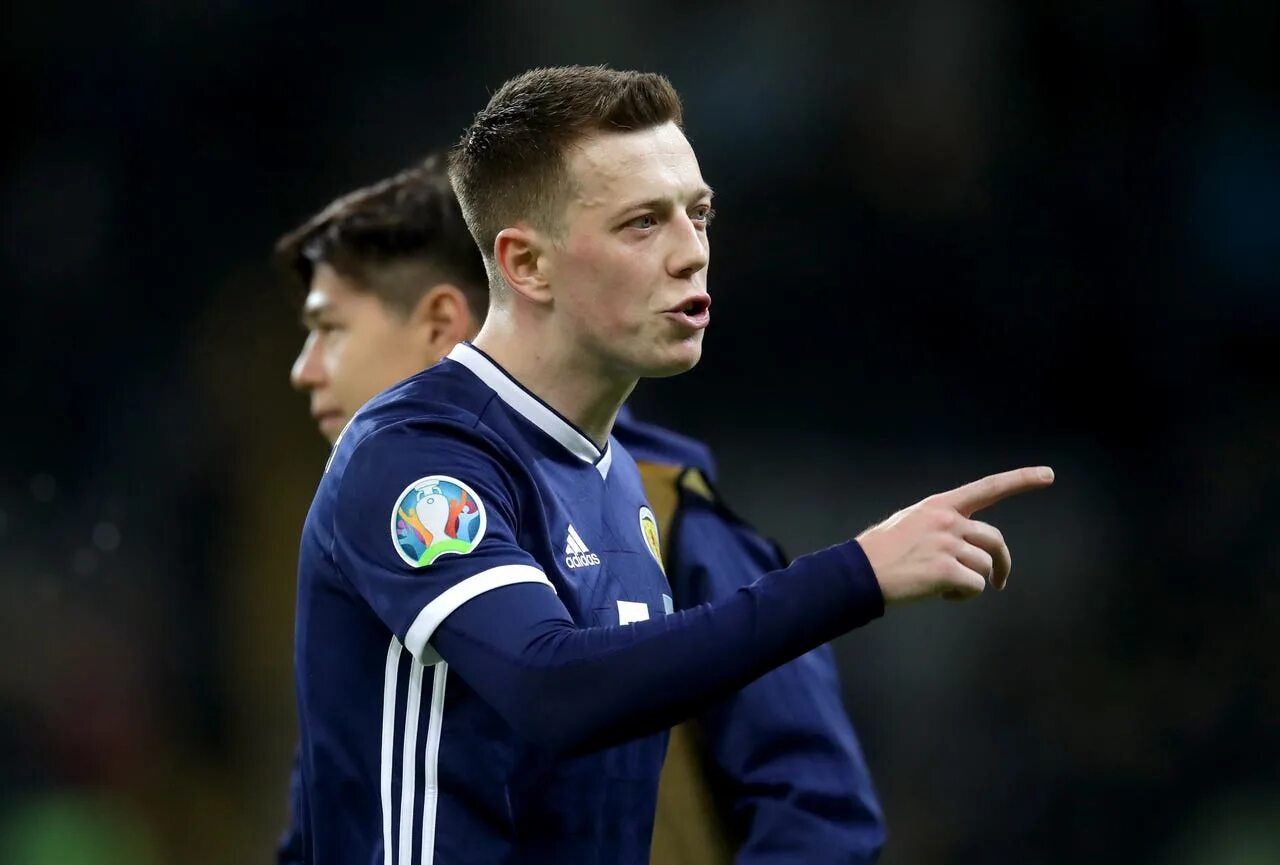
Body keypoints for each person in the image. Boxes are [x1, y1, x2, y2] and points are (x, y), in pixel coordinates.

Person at [290, 65, 1053, 865]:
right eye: (643, 224)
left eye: (700, 214)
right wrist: (856, 573)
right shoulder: (414, 454)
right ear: (527, 264)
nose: (693, 254)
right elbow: (552, 687)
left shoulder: (622, 480)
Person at [273, 153, 884, 863]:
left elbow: (819, 815)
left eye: (332, 328)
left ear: (441, 324)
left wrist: (856, 576)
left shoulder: (669, 511)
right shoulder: (381, 532)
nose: (304, 369)